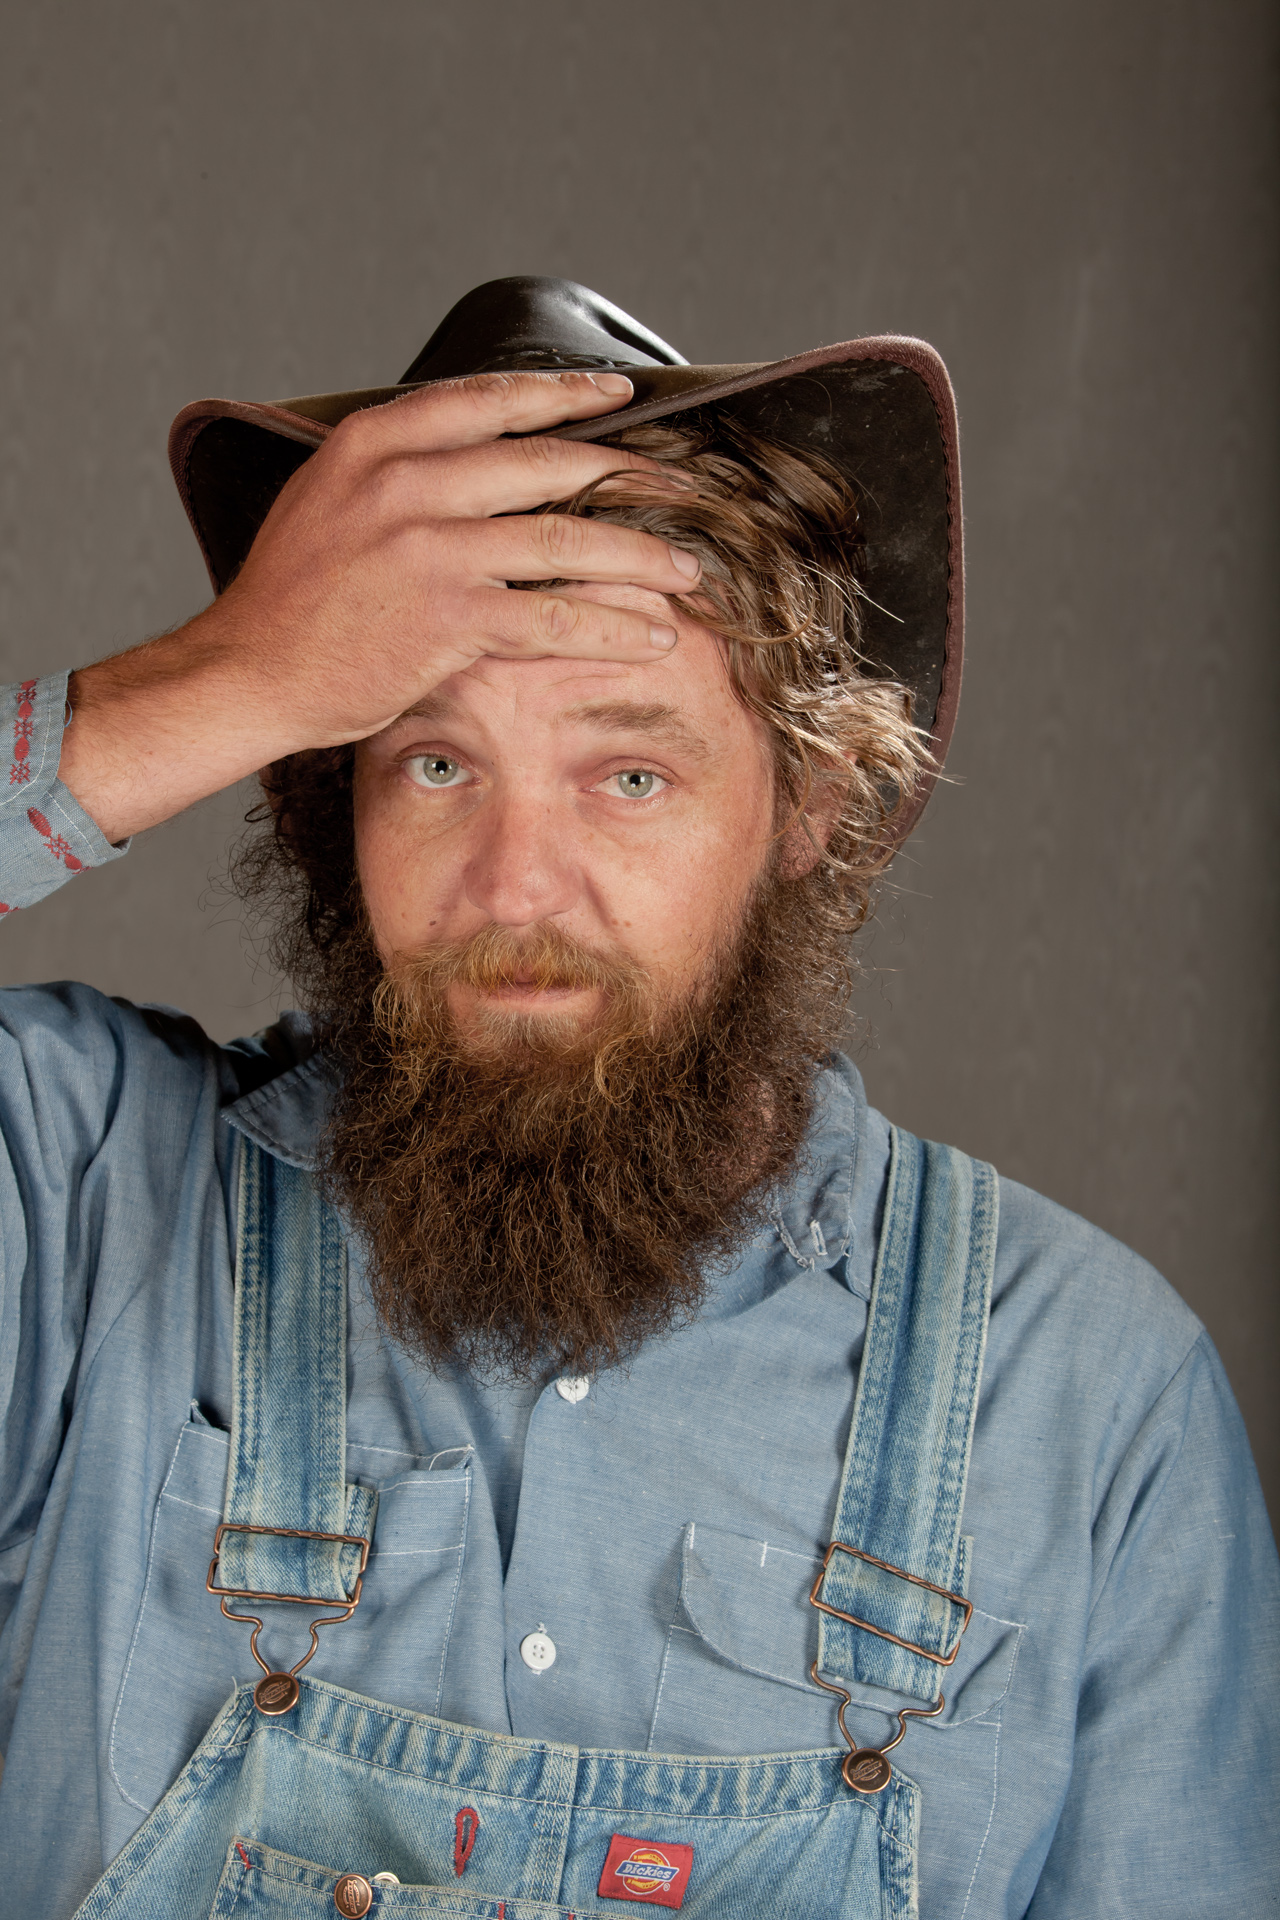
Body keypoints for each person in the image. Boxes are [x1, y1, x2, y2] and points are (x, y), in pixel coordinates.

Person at [0, 277, 1274, 1919]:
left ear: (812, 807)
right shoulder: (80, 1208)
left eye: (630, 773)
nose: (518, 885)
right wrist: (214, 679)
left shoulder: (1092, 1407)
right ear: (328, 795)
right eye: (435, 763)